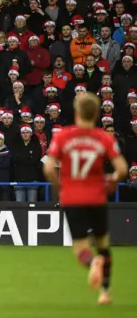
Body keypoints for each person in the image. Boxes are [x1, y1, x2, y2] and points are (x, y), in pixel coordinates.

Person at [44, 93, 128, 306]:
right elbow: (122, 169)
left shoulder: (63, 136)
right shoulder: (104, 137)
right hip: (97, 197)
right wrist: (113, 180)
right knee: (103, 244)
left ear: (76, 111)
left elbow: (48, 168)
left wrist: (59, 185)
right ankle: (105, 292)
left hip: (72, 198)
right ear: (97, 113)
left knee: (81, 247)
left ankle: (92, 263)